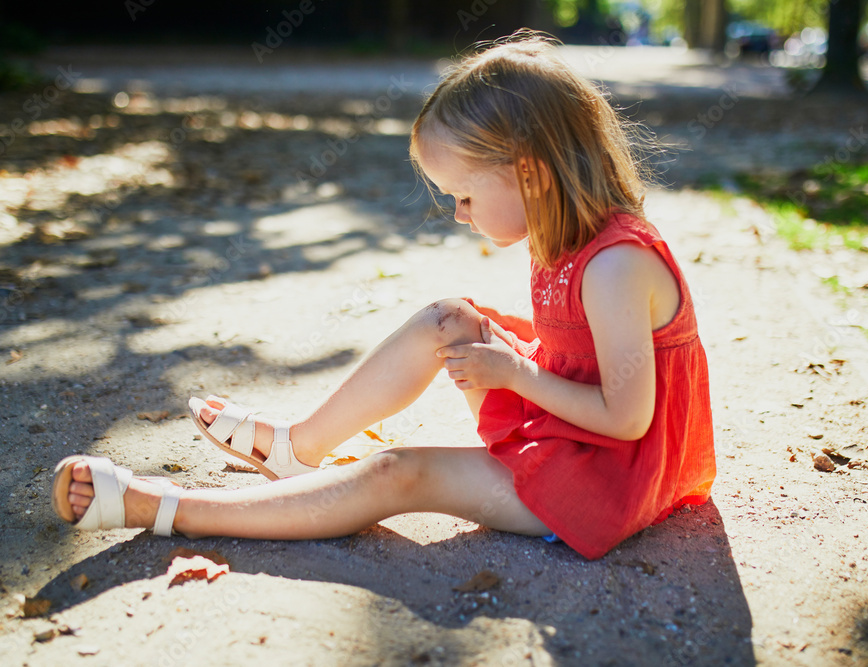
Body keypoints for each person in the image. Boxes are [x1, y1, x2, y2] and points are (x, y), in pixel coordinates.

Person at [51, 31, 716, 560]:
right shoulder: (562, 237)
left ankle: (161, 506)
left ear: (531, 174)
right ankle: (297, 446)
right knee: (448, 320)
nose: (459, 213)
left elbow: (627, 417)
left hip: (610, 477)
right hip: (574, 433)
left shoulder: (614, 266)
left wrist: (514, 370)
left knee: (396, 471)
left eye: (464, 195)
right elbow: (578, 356)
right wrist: (514, 355)